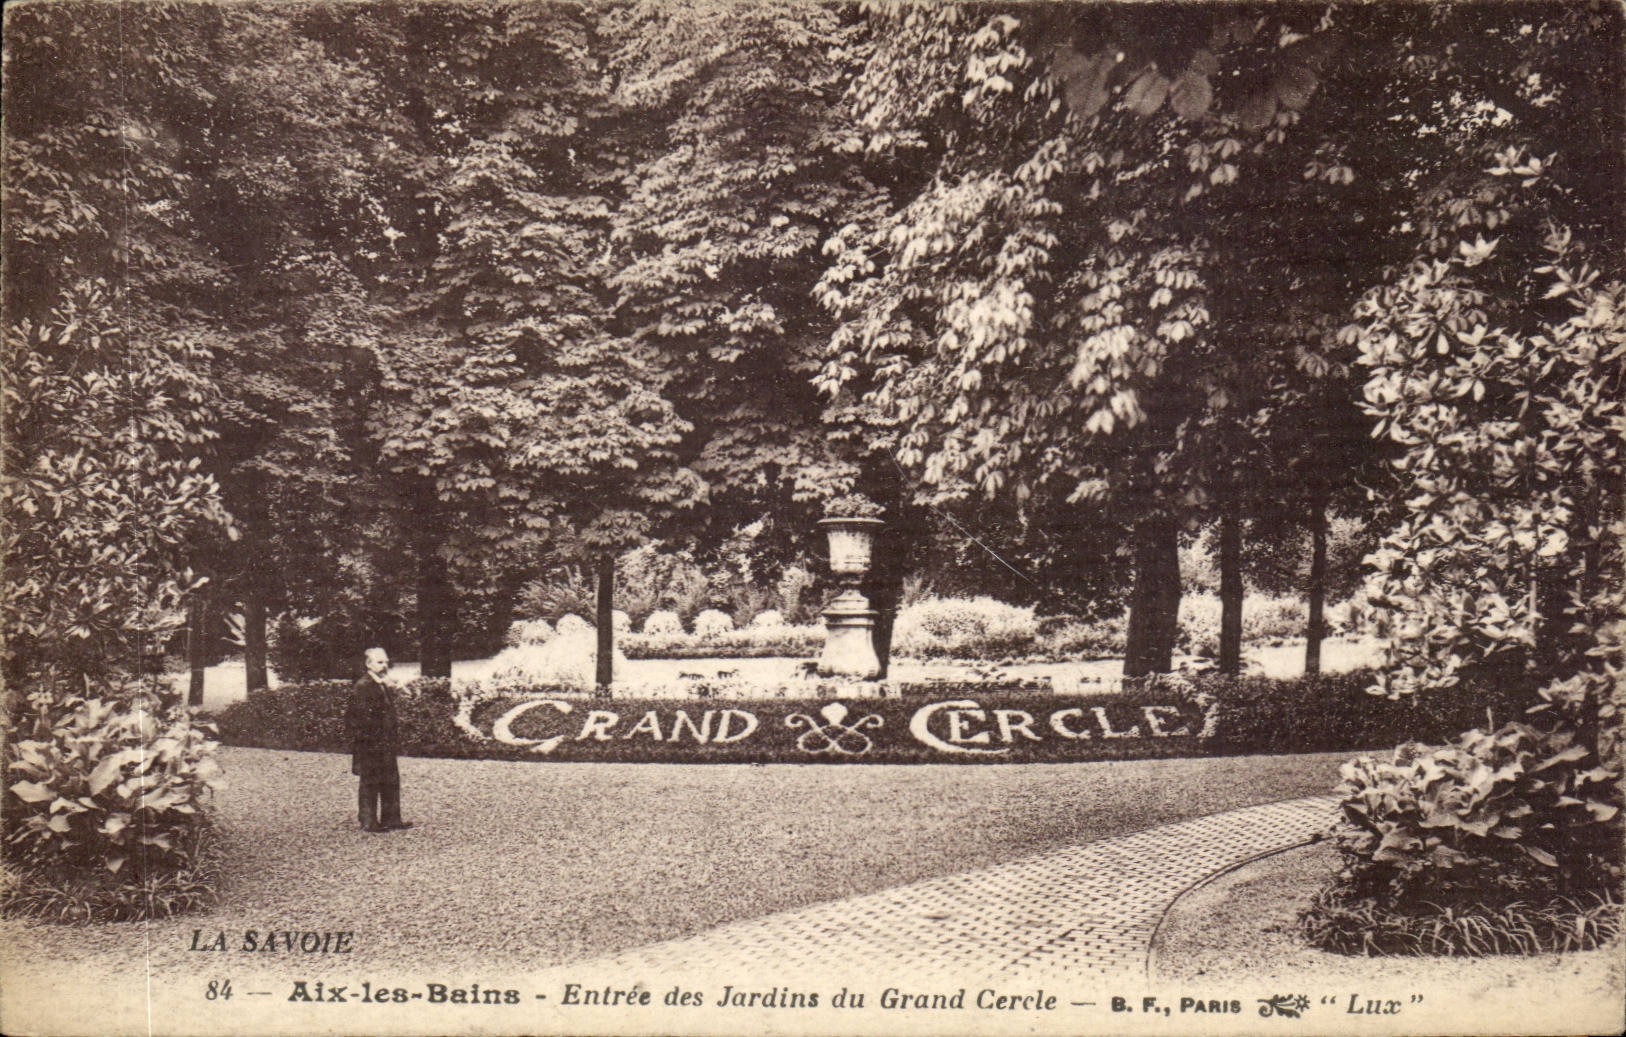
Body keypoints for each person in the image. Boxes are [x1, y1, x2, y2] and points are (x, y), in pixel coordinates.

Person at [346, 647, 413, 832]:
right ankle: (368, 821)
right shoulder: (363, 686)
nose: (384, 666)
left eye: (385, 662)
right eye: (379, 662)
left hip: (385, 742)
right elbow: (358, 718)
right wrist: (370, 740)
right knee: (370, 781)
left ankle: (391, 819)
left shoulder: (381, 683)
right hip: (371, 743)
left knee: (390, 779)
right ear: (368, 664)